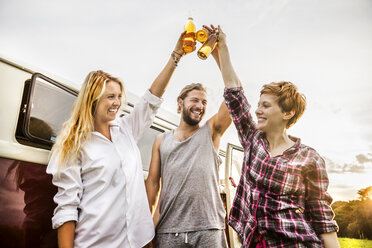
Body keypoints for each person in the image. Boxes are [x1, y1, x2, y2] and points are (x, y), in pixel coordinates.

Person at [46, 32, 186, 248]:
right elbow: (66, 206)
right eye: (110, 96)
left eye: (119, 96)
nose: (117, 102)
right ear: (92, 99)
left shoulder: (125, 129)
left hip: (139, 241)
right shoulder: (72, 144)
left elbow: (151, 100)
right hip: (98, 243)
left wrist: (176, 56)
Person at [214, 25, 340, 247]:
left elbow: (322, 217)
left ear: (287, 113)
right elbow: (235, 96)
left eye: (265, 105)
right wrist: (222, 46)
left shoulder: (308, 158)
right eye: (259, 104)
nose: (257, 110)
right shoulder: (254, 140)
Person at [145, 27, 232, 248]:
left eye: (204, 102)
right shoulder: (161, 140)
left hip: (209, 230)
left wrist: (220, 53)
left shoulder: (211, 132)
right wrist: (144, 230)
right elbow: (152, 186)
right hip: (168, 231)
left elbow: (235, 97)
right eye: (195, 100)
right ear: (180, 103)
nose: (200, 106)